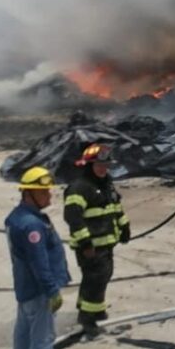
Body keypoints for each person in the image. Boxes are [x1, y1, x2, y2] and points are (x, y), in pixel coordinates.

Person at [5, 166, 70, 349]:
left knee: (23, 333)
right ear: (28, 194)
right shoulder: (32, 225)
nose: (49, 196)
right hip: (39, 291)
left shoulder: (16, 217)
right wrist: (51, 291)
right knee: (43, 340)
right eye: (43, 192)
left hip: (25, 289)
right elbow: (39, 262)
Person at [63, 143, 130, 334]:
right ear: (89, 166)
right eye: (99, 165)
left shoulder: (106, 185)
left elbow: (116, 208)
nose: (103, 169)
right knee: (95, 279)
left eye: (106, 166)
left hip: (106, 243)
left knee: (100, 277)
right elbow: (73, 217)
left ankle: (94, 308)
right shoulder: (79, 188)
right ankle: (87, 319)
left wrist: (124, 226)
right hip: (90, 246)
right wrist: (85, 242)